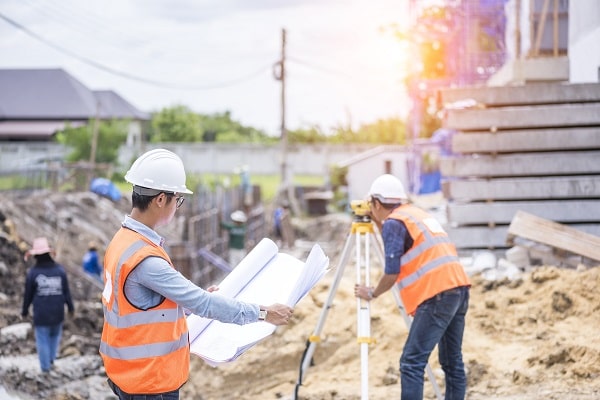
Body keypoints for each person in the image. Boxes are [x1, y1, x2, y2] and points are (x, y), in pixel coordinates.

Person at [100, 148, 293, 400]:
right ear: (160, 199)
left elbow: (141, 304)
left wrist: (187, 301)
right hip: (149, 382)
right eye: (177, 199)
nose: (178, 207)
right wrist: (264, 313)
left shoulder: (123, 241)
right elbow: (203, 304)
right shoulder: (146, 260)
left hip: (128, 373)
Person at [354, 174, 471, 400]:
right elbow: (395, 240)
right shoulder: (414, 215)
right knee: (451, 360)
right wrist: (378, 222)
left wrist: (372, 293)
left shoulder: (394, 224)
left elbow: (392, 271)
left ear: (376, 203)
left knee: (411, 362)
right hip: (459, 288)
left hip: (437, 294)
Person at [21, 237, 75, 373]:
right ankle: (51, 361)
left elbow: (28, 294)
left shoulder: (33, 273)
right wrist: (71, 308)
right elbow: (66, 292)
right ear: (48, 253)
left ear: (36, 255)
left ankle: (45, 368)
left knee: (42, 338)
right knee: (54, 336)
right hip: (58, 311)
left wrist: (24, 311)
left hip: (41, 313)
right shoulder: (60, 270)